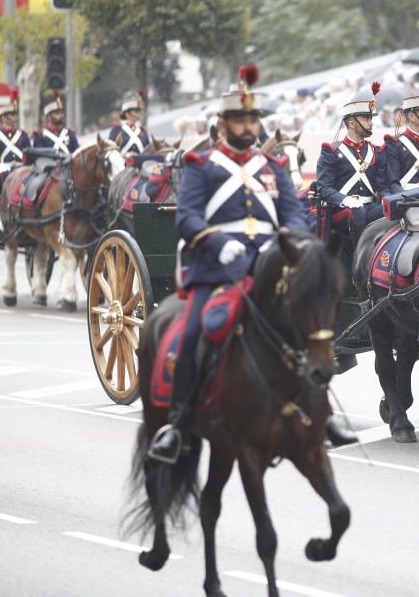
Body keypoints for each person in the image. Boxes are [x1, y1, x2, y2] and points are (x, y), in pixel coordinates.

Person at [148, 65, 354, 463]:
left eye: (252, 119)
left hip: (268, 267)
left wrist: (292, 245)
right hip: (217, 269)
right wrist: (215, 239)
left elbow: (293, 215)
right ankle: (176, 422)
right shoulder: (200, 165)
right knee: (194, 334)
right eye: (238, 119)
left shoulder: (274, 168)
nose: (246, 126)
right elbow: (187, 217)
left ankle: (321, 414)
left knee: (309, 331)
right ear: (223, 124)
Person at [315, 82, 385, 234]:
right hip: (341, 211)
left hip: (370, 207)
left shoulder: (376, 151)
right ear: (352, 124)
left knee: (391, 212)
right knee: (356, 213)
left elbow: (382, 185)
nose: (371, 123)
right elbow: (324, 188)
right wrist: (345, 200)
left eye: (371, 119)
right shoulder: (331, 151)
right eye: (367, 119)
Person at [0, 90, 32, 177]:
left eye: (15, 114)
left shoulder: (23, 135)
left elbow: (29, 157)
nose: (15, 117)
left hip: (22, 170)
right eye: (12, 115)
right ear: (4, 117)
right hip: (3, 172)